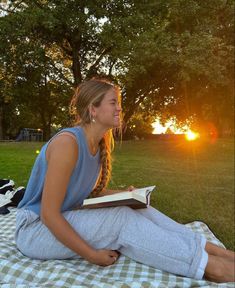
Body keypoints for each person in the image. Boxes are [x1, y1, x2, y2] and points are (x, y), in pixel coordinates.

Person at [15, 78, 235, 283]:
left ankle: (217, 252)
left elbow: (85, 191)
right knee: (120, 219)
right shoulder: (68, 144)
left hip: (60, 218)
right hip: (34, 230)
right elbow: (48, 214)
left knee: (137, 208)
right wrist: (91, 255)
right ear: (93, 109)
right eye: (113, 103)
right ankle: (211, 266)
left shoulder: (97, 144)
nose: (119, 108)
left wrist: (125, 195)